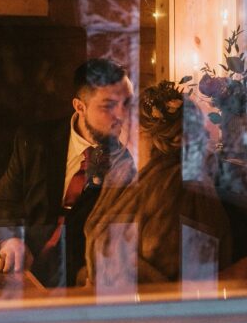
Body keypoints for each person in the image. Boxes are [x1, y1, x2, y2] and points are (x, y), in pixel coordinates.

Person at [0, 58, 136, 287]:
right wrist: (10, 240)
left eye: (126, 104)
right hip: (21, 277)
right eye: (108, 106)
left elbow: (118, 241)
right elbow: (1, 204)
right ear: (79, 106)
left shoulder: (123, 164)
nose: (122, 115)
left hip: (78, 285)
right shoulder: (35, 141)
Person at [84, 80, 232, 290]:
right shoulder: (123, 172)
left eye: (127, 118)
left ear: (141, 131)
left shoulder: (177, 189)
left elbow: (165, 273)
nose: (120, 123)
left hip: (149, 312)